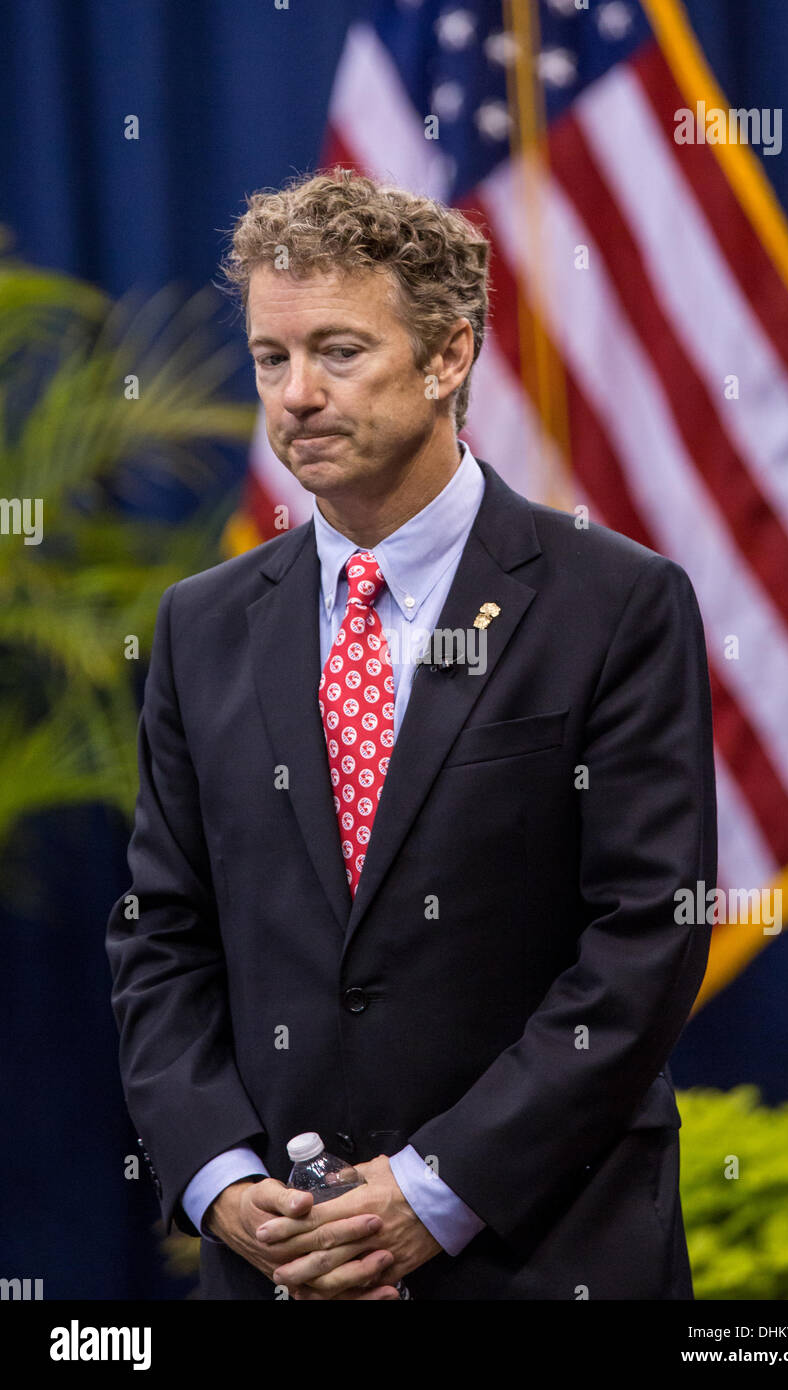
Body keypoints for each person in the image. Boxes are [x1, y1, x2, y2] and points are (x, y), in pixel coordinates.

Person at [106, 168, 717, 1301]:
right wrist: (220, 1181)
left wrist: (432, 1192)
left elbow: (644, 939)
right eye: (271, 358)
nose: (295, 394)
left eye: (338, 352)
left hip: (539, 1252)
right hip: (274, 1265)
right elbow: (161, 936)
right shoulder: (201, 626)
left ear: (448, 358)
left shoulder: (614, 604)